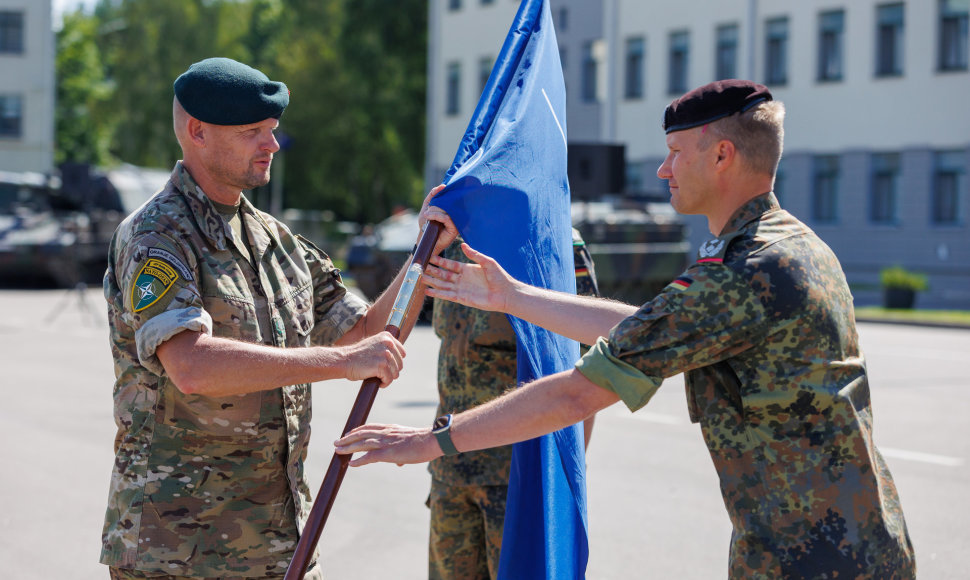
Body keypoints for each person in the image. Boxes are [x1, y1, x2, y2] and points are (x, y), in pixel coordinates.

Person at [335, 80, 917, 578]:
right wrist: (512, 296)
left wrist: (426, 442)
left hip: (814, 555)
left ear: (721, 156)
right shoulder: (788, 247)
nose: (663, 169)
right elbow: (644, 329)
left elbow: (578, 390)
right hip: (837, 541)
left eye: (673, 152)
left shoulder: (748, 271)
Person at [99, 57, 457, 579]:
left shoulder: (277, 241)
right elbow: (192, 366)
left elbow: (367, 334)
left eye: (272, 131)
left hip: (277, 542)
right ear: (197, 132)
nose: (272, 145)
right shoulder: (157, 236)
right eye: (253, 133)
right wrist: (341, 362)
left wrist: (424, 257)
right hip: (178, 550)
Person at [428, 229, 600, 580]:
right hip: (450, 472)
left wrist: (561, 479)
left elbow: (589, 368)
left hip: (517, 479)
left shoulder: (551, 238)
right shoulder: (449, 240)